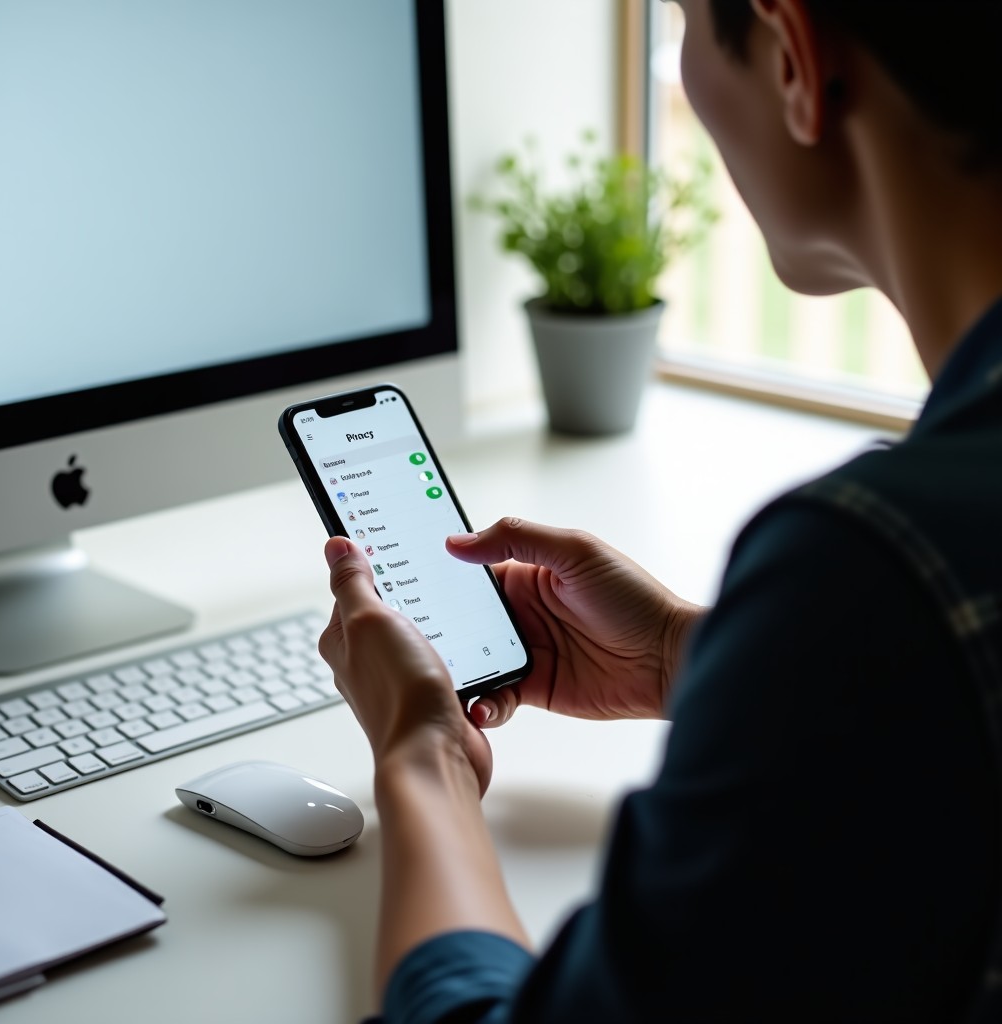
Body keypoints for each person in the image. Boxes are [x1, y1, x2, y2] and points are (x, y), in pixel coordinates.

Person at [319, 0, 1002, 1020]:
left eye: (683, 19)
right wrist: (691, 652)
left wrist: (421, 756)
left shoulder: (872, 567)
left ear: (793, 59)